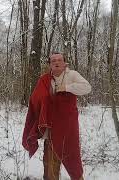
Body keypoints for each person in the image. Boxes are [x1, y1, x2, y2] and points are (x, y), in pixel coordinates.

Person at [22, 52, 91, 180]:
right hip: (51, 130)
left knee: (73, 161)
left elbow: (87, 88)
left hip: (68, 128)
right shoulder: (45, 79)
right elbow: (35, 100)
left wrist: (66, 87)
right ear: (50, 65)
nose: (56, 62)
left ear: (65, 63)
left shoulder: (72, 75)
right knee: (50, 166)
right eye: (53, 61)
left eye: (59, 60)